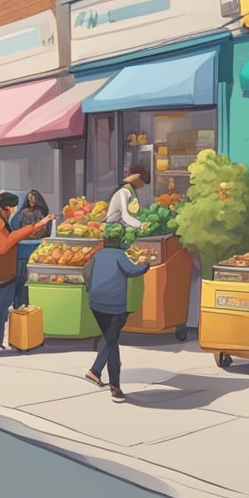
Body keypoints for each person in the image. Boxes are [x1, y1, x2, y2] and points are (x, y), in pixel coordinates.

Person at [0, 193, 54, 358]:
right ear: (1, 207)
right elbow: (2, 246)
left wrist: (40, 224)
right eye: (9, 208)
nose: (12, 211)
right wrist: (33, 227)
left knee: (0, 309)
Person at [84, 232, 153, 401]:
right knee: (110, 339)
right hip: (114, 306)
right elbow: (132, 270)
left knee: (111, 340)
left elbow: (86, 273)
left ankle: (115, 387)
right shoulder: (120, 255)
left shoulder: (97, 255)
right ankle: (95, 370)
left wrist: (91, 290)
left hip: (95, 304)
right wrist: (146, 265)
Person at [106, 165, 148, 230]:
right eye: (141, 181)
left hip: (123, 225)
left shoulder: (130, 191)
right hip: (114, 227)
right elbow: (125, 216)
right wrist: (140, 225)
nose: (142, 185)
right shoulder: (123, 192)